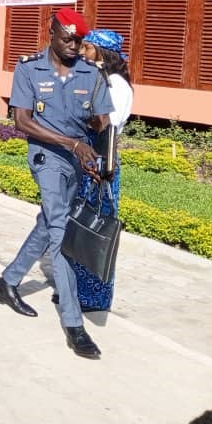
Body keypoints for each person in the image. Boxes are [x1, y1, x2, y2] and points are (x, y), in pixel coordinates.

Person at [0, 8, 112, 359]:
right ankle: (74, 325)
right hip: (47, 158)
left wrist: (101, 160)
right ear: (52, 32)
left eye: (79, 40)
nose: (74, 45)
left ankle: (8, 283)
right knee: (60, 233)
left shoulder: (91, 74)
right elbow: (22, 121)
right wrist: (72, 143)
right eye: (68, 38)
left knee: (47, 224)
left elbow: (104, 123)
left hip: (78, 160)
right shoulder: (30, 69)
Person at [69, 28, 134, 311]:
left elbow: (106, 124)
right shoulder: (99, 81)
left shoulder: (117, 85)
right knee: (80, 223)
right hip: (87, 159)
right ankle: (75, 289)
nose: (83, 53)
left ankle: (95, 297)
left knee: (98, 228)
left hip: (102, 163)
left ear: (103, 53)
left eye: (88, 49)